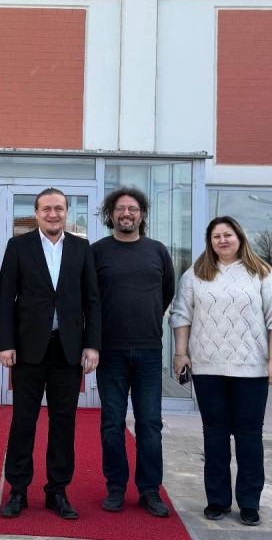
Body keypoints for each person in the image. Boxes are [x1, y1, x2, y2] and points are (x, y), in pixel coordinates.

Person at [170, 216, 272, 527]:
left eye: (227, 235)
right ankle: (217, 500)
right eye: (216, 236)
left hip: (251, 371)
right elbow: (181, 315)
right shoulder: (195, 275)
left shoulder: (262, 273)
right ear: (210, 242)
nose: (222, 240)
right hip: (207, 368)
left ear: (239, 237)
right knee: (214, 435)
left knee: (249, 437)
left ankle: (249, 503)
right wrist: (181, 354)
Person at [0, 188, 101, 520]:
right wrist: (5, 343)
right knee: (23, 421)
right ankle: (18, 490)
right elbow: (5, 299)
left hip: (68, 350)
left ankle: (57, 491)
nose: (53, 214)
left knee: (64, 424)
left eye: (59, 208)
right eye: (46, 209)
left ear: (67, 212)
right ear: (36, 213)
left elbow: (92, 301)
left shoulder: (82, 248)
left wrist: (92, 344)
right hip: (28, 350)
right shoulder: (18, 246)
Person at [91, 187, 175, 517]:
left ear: (142, 215)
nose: (126, 213)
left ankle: (149, 490)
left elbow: (166, 292)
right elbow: (90, 300)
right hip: (110, 352)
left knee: (150, 424)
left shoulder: (157, 251)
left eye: (133, 209)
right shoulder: (97, 252)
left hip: (149, 352)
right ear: (110, 214)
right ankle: (115, 487)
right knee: (112, 424)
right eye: (120, 208)